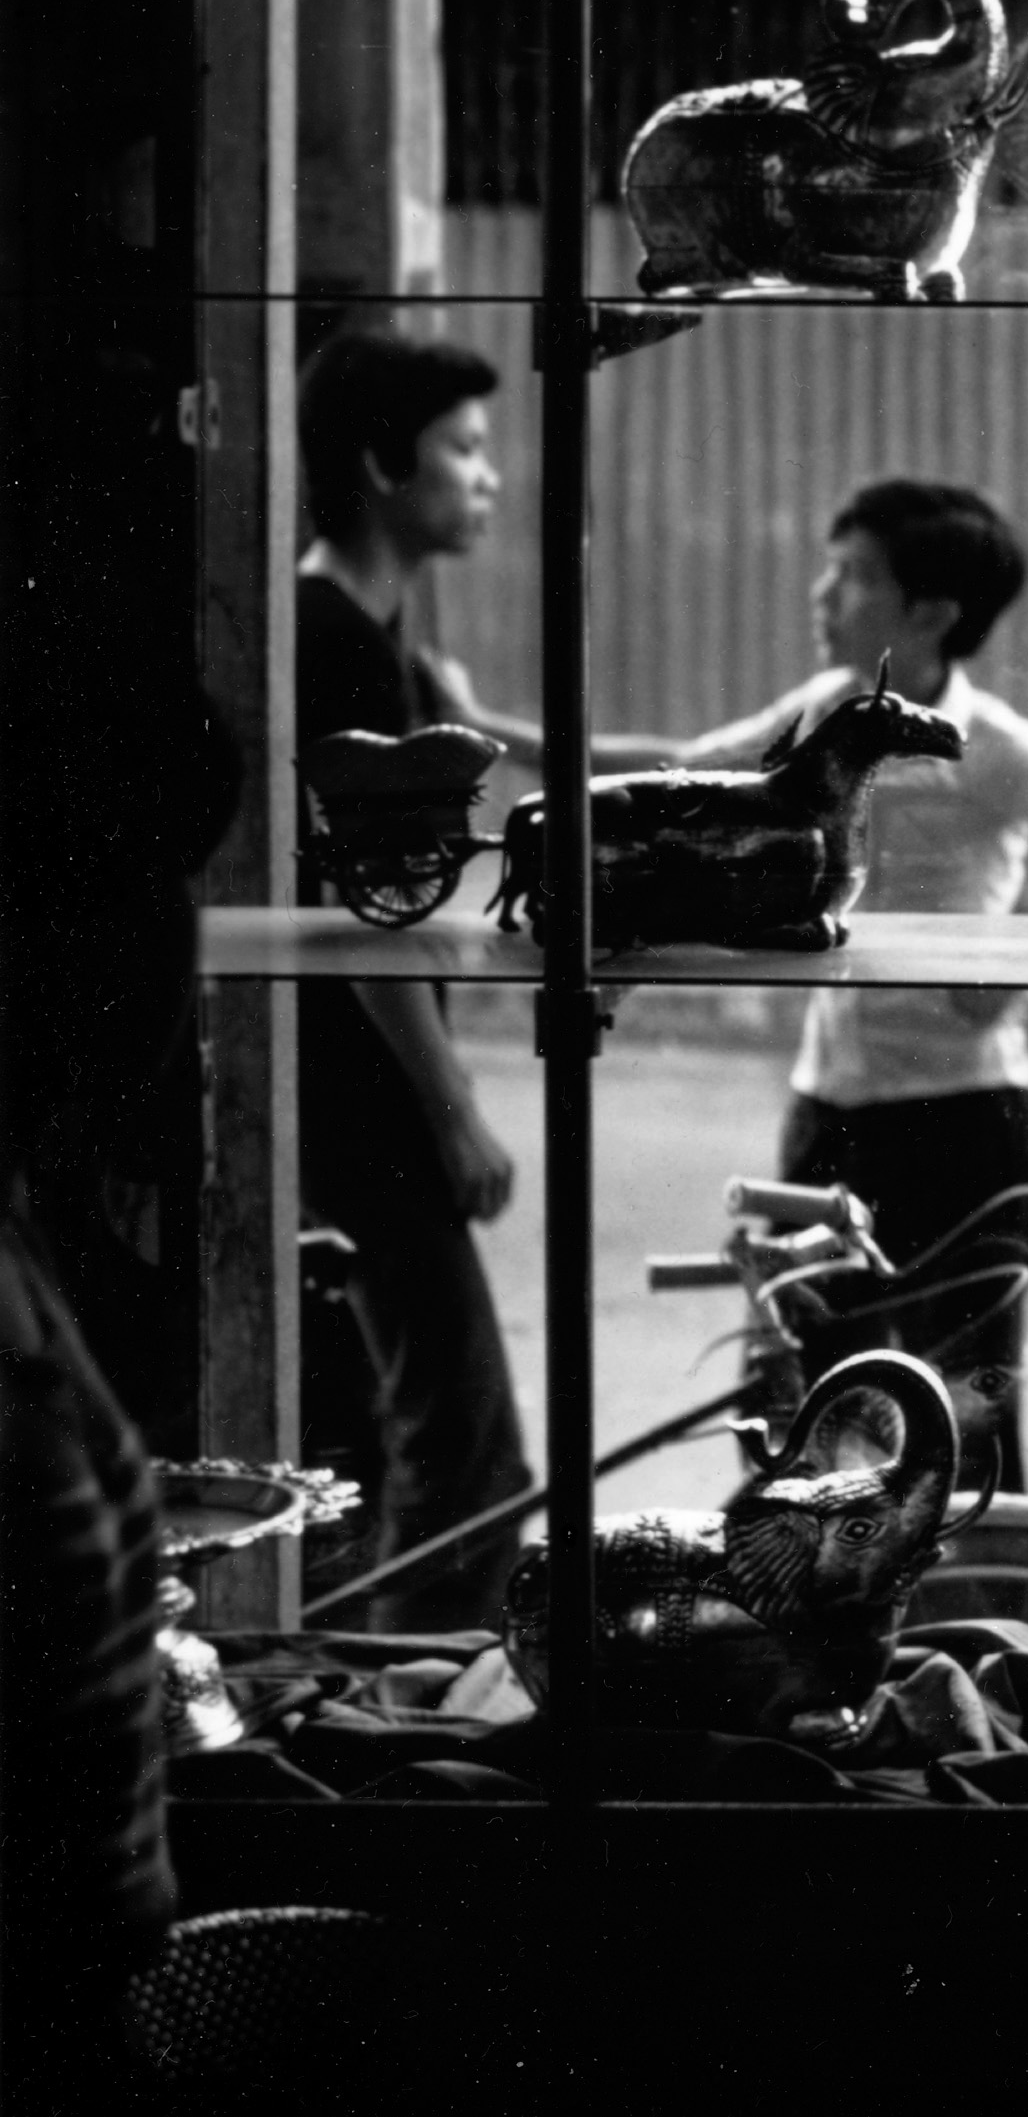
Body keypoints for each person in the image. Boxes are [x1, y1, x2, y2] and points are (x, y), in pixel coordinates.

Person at [666, 481, 1028, 1490]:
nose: (823, 593)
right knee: (805, 1413)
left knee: (964, 1427)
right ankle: (818, 1643)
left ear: (932, 614)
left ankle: (982, 1641)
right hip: (828, 1119)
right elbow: (693, 773)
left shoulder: (1001, 753)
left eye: (852, 576)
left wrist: (1016, 962)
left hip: (967, 1121)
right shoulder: (818, 715)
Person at [292, 330, 577, 1631]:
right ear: (375, 464)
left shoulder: (376, 634)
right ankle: (419, 1744)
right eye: (464, 449)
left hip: (364, 1095)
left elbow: (531, 743)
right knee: (467, 1462)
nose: (490, 477)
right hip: (370, 1099)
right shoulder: (335, 641)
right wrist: (452, 1108)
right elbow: (366, 924)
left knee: (428, 1442)